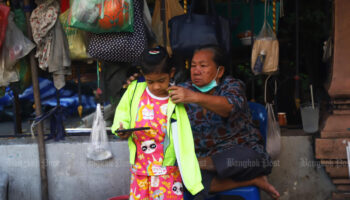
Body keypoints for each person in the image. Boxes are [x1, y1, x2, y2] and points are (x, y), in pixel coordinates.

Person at [167, 45, 280, 199]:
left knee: (248, 158)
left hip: (238, 157)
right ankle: (254, 181)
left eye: (203, 65)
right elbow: (157, 94)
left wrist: (193, 97)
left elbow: (229, 107)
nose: (196, 70)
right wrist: (137, 86)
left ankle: (198, 164)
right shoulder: (183, 89)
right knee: (182, 180)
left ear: (219, 71)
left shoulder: (232, 85)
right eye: (193, 66)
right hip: (205, 161)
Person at [111, 46, 204, 200]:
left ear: (171, 73)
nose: (156, 86)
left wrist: (194, 184)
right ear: (143, 76)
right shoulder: (134, 90)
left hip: (167, 173)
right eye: (150, 81)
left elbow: (185, 143)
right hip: (140, 171)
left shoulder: (175, 98)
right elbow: (122, 114)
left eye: (161, 80)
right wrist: (121, 128)